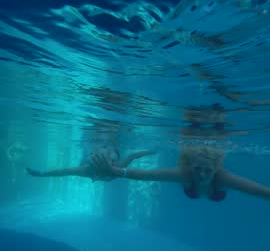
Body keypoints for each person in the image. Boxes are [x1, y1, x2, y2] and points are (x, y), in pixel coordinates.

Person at [87, 106, 270, 202]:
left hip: (192, 133)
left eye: (205, 170)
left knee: (191, 120)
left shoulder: (185, 174)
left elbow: (146, 176)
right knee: (215, 119)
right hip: (213, 129)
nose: (201, 175)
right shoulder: (220, 178)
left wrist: (114, 171)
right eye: (200, 169)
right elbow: (257, 191)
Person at [26, 146, 155, 181]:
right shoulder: (86, 169)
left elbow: (133, 155)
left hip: (103, 173)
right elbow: (63, 171)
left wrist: (154, 150)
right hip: (97, 173)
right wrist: (42, 174)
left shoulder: (118, 167)